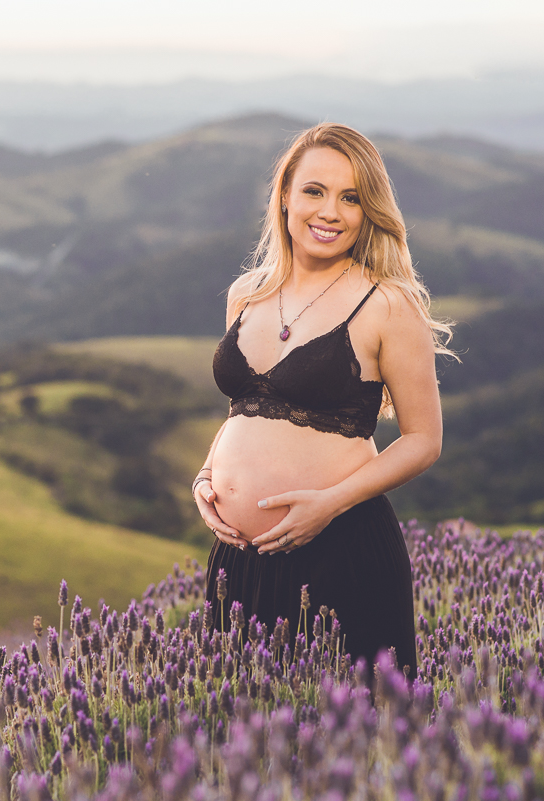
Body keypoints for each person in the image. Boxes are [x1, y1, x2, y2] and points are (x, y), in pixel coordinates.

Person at [194, 123, 452, 678]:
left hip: (341, 554)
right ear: (285, 194)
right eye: (315, 191)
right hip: (240, 562)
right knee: (237, 744)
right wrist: (206, 477)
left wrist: (328, 505)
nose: (330, 212)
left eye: (351, 198)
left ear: (369, 212)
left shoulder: (388, 304)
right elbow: (244, 411)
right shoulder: (247, 294)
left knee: (353, 744)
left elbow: (423, 441)